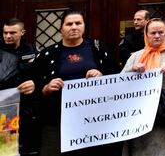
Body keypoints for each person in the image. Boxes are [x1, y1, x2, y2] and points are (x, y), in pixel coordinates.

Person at [32, 9, 119, 156]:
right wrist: (46, 88)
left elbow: (117, 75)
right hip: (57, 120)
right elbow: (33, 82)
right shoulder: (48, 54)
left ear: (84, 26)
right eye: (69, 24)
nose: (74, 27)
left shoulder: (97, 48)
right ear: (61, 28)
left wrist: (102, 76)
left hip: (93, 119)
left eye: (78, 23)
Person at [123, 18, 165, 156]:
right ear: (146, 34)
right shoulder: (136, 56)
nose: (157, 36)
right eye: (153, 33)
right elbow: (120, 82)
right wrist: (131, 70)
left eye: (160, 32)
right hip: (143, 115)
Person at [2, 18, 39, 156]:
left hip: (26, 107)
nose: (8, 36)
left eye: (12, 32)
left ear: (22, 32)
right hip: (4, 106)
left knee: (24, 148)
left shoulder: (32, 50)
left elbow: (41, 74)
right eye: (5, 33)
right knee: (5, 148)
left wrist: (35, 83)